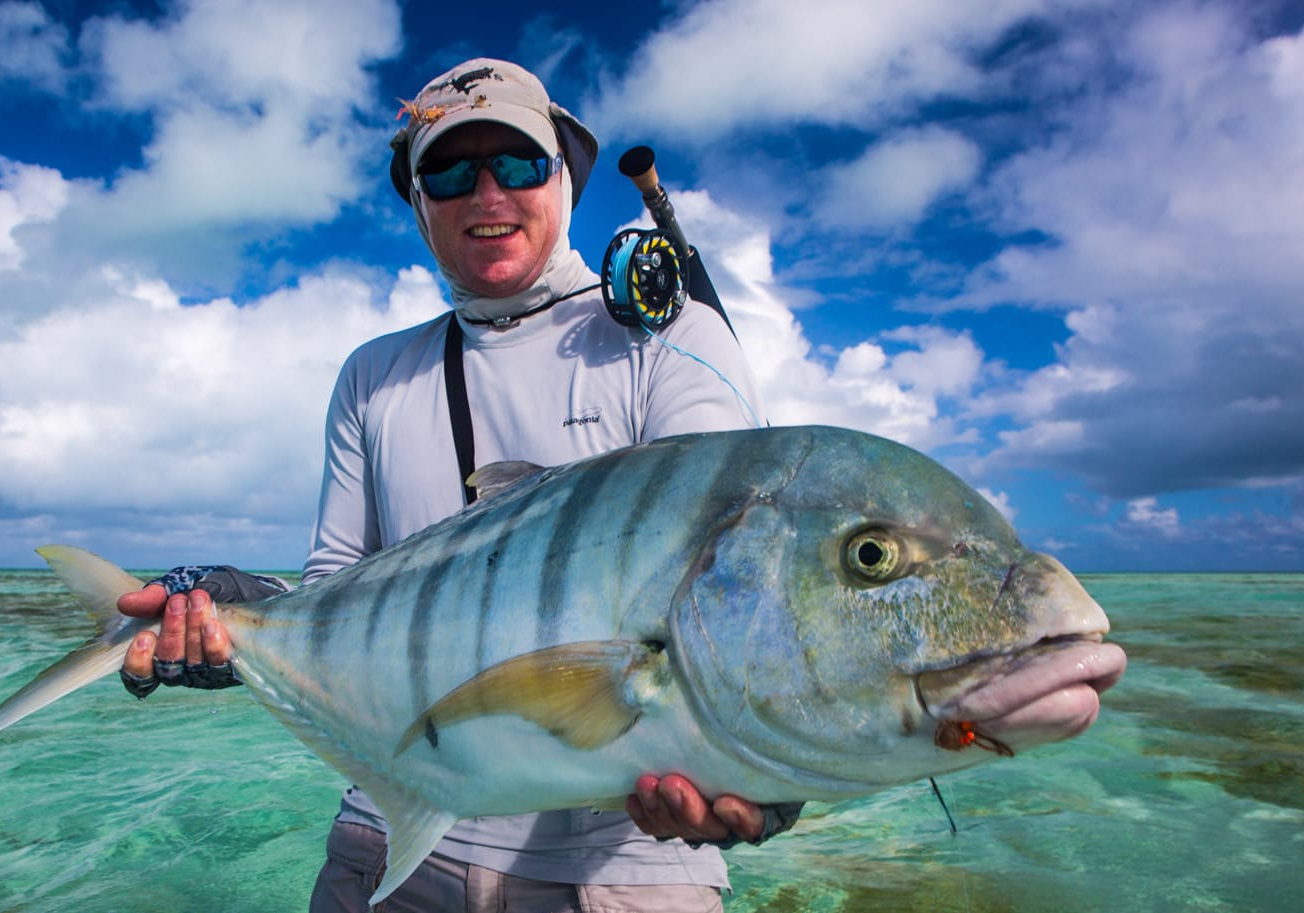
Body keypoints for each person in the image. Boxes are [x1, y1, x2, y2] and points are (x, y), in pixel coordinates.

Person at [114, 58, 800, 912]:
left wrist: (772, 752)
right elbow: (338, 587)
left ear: (564, 179)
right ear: (418, 204)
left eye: (516, 164)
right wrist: (245, 614)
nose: (487, 194)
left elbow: (741, 581)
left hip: (625, 870)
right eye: (448, 171)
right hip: (387, 838)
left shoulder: (670, 339)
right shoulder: (374, 374)